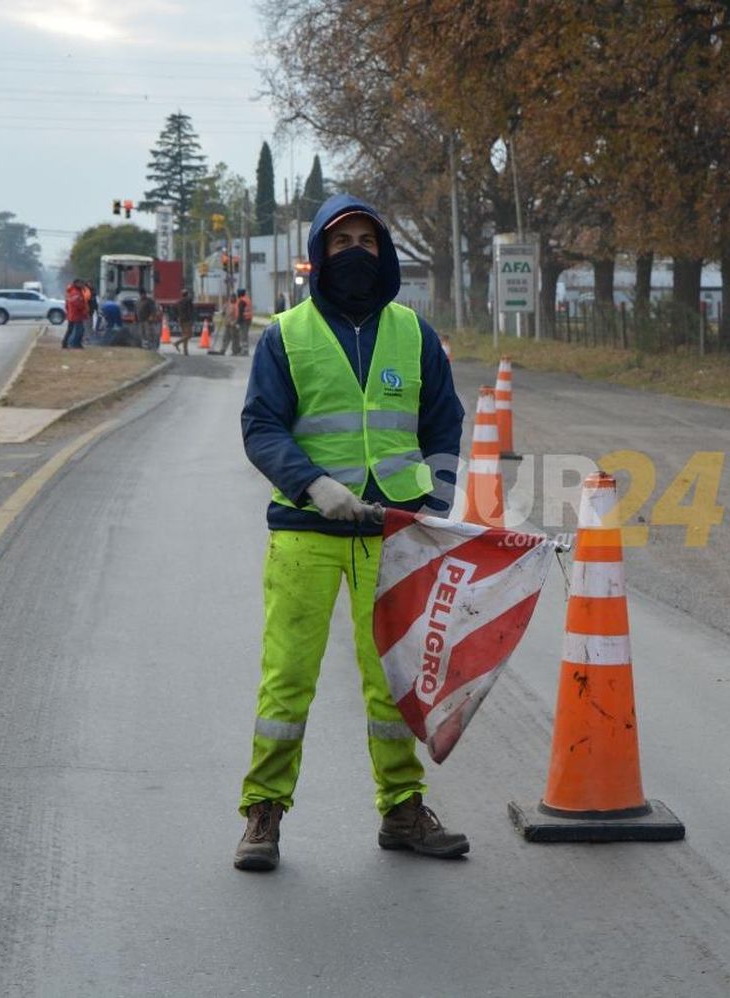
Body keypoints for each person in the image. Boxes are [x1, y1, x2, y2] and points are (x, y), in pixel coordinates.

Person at [234, 193, 465, 872]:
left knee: (392, 684)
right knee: (287, 681)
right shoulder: (286, 335)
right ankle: (263, 813)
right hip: (306, 531)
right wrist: (314, 485)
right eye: (342, 243)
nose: (356, 253)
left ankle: (402, 811)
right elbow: (261, 426)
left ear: (384, 252)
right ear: (319, 255)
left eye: (367, 240)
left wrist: (437, 501)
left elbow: (443, 423)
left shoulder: (413, 334)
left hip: (393, 533)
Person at [61, 278, 88, 349]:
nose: (82, 285)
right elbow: (77, 304)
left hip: (72, 314)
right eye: (81, 284)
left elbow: (67, 304)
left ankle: (65, 343)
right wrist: (83, 309)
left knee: (70, 330)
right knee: (80, 330)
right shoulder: (75, 292)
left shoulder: (72, 291)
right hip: (76, 314)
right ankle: (76, 344)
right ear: (77, 284)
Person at [231, 287, 253, 356]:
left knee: (243, 336)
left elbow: (240, 313)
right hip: (248, 320)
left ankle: (244, 351)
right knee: (245, 336)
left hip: (243, 321)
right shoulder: (247, 299)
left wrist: (236, 322)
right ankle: (245, 350)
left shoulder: (242, 301)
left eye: (238, 293)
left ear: (239, 294)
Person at [173, 289, 195, 356]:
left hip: (181, 320)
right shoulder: (188, 301)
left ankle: (185, 352)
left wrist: (177, 317)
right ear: (187, 294)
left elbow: (174, 309)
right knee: (189, 335)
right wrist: (192, 319)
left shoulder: (179, 302)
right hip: (187, 320)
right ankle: (177, 343)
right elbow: (191, 311)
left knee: (184, 335)